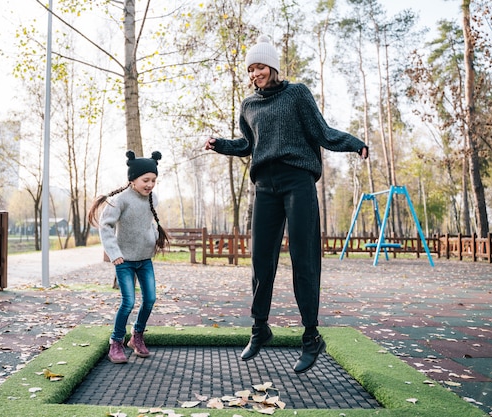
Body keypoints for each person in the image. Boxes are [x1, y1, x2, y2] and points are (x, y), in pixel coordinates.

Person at [204, 35, 369, 373]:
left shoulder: (297, 94)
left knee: (303, 259)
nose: (255, 74)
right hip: (264, 186)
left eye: (260, 67)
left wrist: (354, 143)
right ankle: (260, 327)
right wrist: (220, 144)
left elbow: (322, 132)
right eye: (251, 69)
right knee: (261, 260)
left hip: (298, 182)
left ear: (274, 67)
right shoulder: (248, 105)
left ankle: (311, 336)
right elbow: (248, 145)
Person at [88, 150, 170, 364]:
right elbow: (105, 226)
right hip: (124, 261)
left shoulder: (153, 198)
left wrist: (153, 239)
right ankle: (116, 342)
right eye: (146, 180)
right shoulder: (119, 201)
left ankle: (137, 336)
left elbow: (149, 223)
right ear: (133, 180)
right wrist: (113, 253)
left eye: (153, 180)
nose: (150, 184)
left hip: (145, 260)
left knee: (150, 299)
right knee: (128, 302)